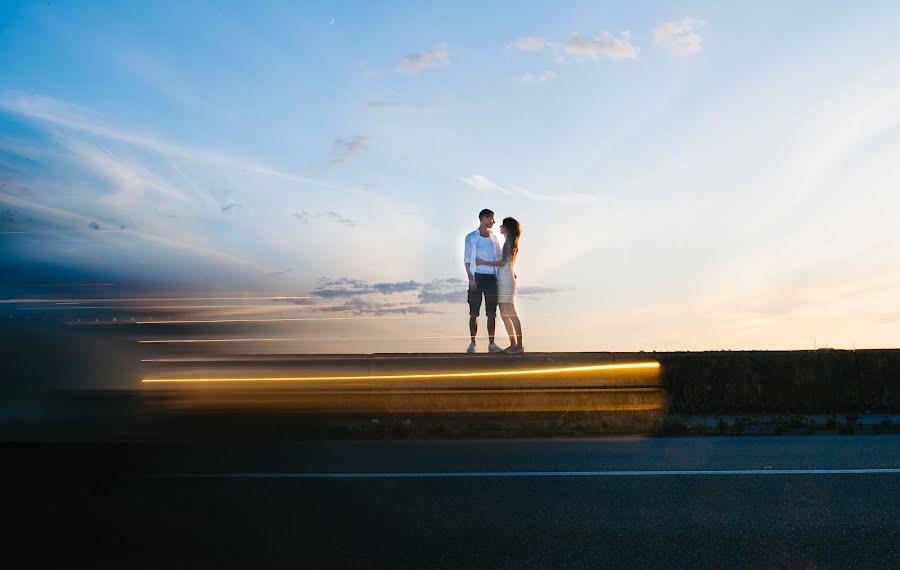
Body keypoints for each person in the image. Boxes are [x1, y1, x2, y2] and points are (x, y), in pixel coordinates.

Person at [476, 217, 524, 353]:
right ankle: (513, 344)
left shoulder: (509, 243)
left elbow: (503, 263)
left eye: (502, 225)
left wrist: (482, 262)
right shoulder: (507, 242)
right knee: (503, 312)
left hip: (506, 279)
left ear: (508, 227)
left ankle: (519, 345)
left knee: (510, 311)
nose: (500, 227)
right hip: (503, 278)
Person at [463, 209, 504, 353]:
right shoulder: (471, 237)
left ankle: (491, 344)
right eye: (492, 218)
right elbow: (467, 260)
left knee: (491, 313)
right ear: (484, 219)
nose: (494, 221)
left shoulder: (495, 238)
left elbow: (499, 260)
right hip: (476, 278)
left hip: (492, 279)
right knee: (474, 312)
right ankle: (472, 343)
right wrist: (470, 278)